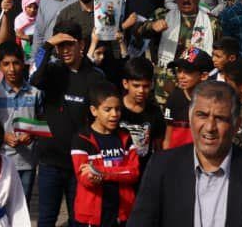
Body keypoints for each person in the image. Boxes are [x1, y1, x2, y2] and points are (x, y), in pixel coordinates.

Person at [126, 80, 242, 227]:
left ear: (236, 125)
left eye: (220, 118)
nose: (210, 127)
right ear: (190, 117)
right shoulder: (162, 168)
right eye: (202, 115)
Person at [30, 22, 107, 227]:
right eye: (60, 45)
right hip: (50, 161)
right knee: (46, 220)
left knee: (78, 220)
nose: (64, 50)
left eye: (69, 44)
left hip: (80, 163)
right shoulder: (52, 71)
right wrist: (47, 45)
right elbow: (35, 79)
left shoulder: (95, 76)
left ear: (81, 44)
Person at [135, 0, 221, 105]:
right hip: (164, 87)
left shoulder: (212, 23)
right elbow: (137, 32)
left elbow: (218, 55)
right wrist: (152, 27)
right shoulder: (162, 15)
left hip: (196, 89)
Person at [72, 83, 141, 227]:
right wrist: (94, 177)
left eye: (118, 109)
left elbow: (133, 172)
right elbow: (84, 177)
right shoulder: (82, 139)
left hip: (122, 214)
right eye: (107, 110)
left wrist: (101, 172)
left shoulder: (126, 137)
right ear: (94, 110)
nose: (114, 114)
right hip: (91, 217)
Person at [0, 41, 42, 202]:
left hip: (27, 161)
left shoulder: (35, 93)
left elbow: (43, 122)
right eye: (6, 64)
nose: (11, 69)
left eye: (16, 63)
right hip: (0, 160)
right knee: (0, 203)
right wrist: (3, 136)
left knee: (22, 205)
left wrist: (32, 133)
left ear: (23, 63)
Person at [118, 57, 165, 176]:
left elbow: (159, 146)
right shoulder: (115, 109)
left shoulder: (155, 112)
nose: (141, 90)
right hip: (118, 172)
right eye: (136, 85)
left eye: (146, 86)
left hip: (144, 174)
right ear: (125, 83)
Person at [162, 48, 213, 150]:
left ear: (203, 76)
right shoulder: (174, 98)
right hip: (175, 155)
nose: (181, 76)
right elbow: (168, 137)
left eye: (188, 72)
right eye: (179, 70)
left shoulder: (211, 102)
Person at [30, 0, 78, 65]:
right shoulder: (44, 2)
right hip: (47, 61)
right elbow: (38, 35)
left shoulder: (78, 0)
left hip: (71, 61)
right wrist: (34, 61)